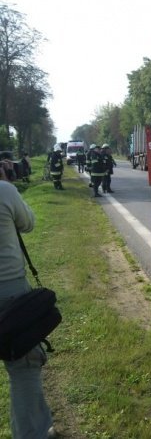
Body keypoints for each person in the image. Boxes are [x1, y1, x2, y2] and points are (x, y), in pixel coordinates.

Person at [0, 178, 55, 438]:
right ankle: (31, 433)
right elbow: (28, 223)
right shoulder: (4, 191)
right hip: (8, 292)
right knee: (23, 367)